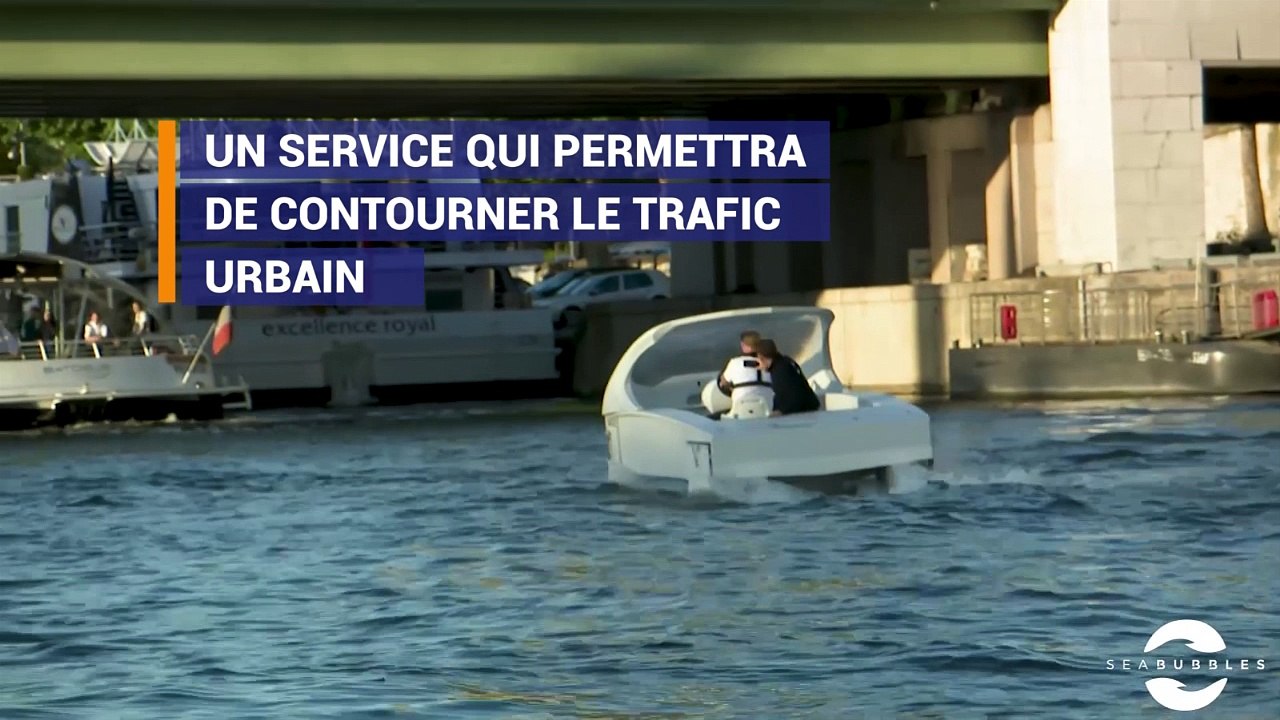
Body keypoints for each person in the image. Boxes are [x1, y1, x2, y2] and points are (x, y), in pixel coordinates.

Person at [755, 338, 821, 416]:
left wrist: (781, 411)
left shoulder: (780, 372)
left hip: (804, 413)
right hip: (810, 406)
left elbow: (795, 396)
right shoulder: (784, 362)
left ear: (762, 358)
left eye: (758, 358)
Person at [716, 334, 774, 419]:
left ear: (743, 345)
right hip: (768, 412)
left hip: (739, 414)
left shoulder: (734, 363)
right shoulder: (769, 363)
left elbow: (723, 382)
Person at [717, 330, 762, 396]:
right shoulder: (768, 362)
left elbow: (723, 382)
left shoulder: (735, 363)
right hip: (767, 403)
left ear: (742, 344)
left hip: (741, 402)